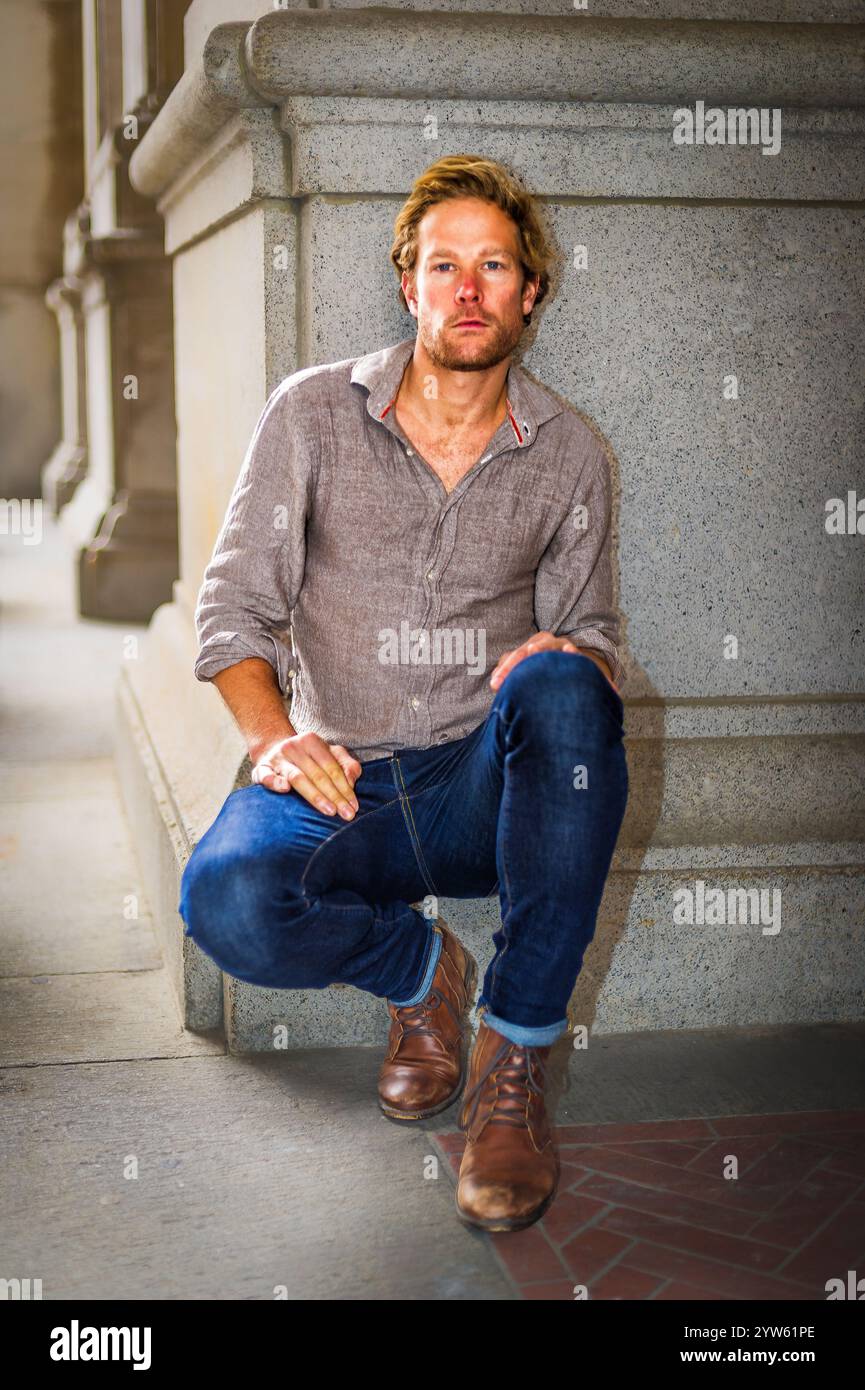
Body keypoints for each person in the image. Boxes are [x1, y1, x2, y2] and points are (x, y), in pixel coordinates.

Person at [178, 154, 629, 1233]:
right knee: (226, 900)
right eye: (443, 266)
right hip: (339, 784)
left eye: (493, 266)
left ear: (530, 293)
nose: (466, 289)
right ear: (407, 284)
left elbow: (600, 637)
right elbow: (231, 611)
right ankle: (423, 971)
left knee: (569, 689)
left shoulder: (569, 452)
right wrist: (275, 739)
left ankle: (509, 1066)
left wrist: (569, 660)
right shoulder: (312, 416)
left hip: (477, 787)